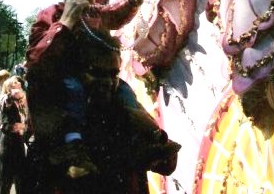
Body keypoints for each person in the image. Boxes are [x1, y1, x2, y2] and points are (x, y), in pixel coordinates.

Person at [25, 0, 143, 180]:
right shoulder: (51, 14)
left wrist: (131, 5)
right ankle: (73, 148)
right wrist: (65, 24)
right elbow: (36, 64)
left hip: (105, 94)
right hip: (70, 91)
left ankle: (152, 140)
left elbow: (114, 13)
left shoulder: (95, 12)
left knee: (128, 96)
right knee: (73, 91)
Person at [25, 30, 181, 194]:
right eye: (96, 73)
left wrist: (152, 140)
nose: (107, 82)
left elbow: (166, 164)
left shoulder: (124, 108)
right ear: (76, 73)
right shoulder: (61, 115)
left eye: (113, 74)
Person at [0, 76, 29, 194]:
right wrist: (11, 95)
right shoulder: (6, 100)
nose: (17, 84)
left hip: (19, 143)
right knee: (5, 180)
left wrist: (24, 127)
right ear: (8, 89)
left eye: (17, 82)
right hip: (8, 145)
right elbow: (6, 102)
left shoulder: (22, 100)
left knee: (21, 179)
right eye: (13, 84)